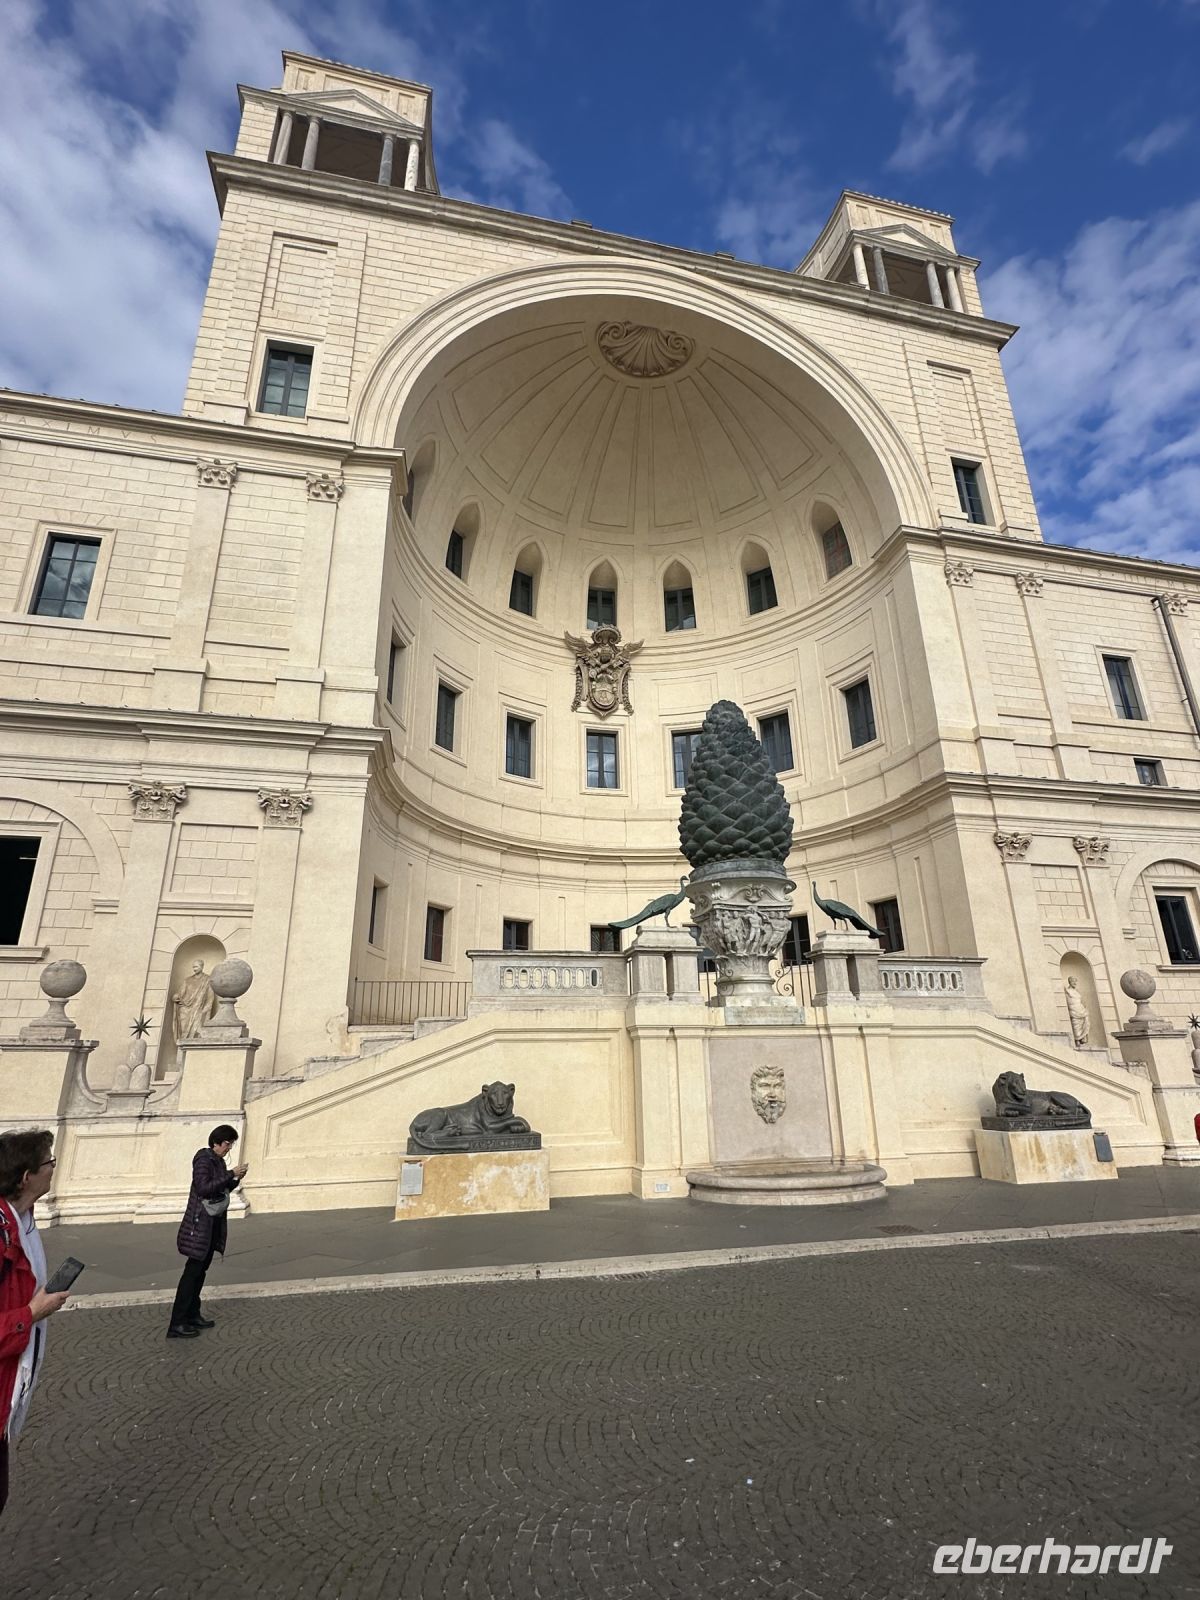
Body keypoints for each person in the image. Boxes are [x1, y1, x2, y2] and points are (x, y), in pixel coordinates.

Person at [0, 1129, 71, 1516]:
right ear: (27, 1175)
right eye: (49, 1163)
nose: (54, 1170)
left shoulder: (23, 1221)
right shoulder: (4, 1231)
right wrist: (31, 1314)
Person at [167, 1124, 247, 1340]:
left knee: (200, 1273)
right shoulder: (204, 1160)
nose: (229, 1148)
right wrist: (231, 1173)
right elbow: (203, 1187)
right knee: (191, 1274)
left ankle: (193, 1315)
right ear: (216, 1142)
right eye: (227, 1143)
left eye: (231, 1144)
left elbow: (219, 1190)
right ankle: (177, 1323)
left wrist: (235, 1179)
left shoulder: (218, 1161)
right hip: (199, 1224)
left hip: (211, 1224)